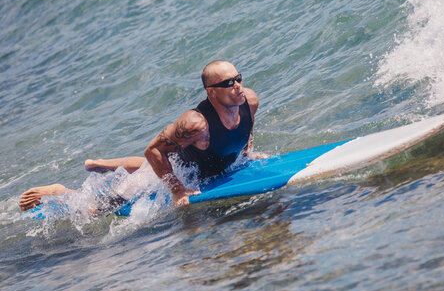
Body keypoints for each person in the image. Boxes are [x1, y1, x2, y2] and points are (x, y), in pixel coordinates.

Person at [19, 60, 267, 211]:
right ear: (211, 92)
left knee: (156, 163)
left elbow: (246, 128)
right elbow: (154, 151)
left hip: (194, 161)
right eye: (227, 83)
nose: (237, 86)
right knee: (97, 210)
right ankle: (59, 192)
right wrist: (177, 190)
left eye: (238, 79)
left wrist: (247, 154)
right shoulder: (195, 124)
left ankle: (101, 163)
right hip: (173, 171)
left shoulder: (250, 100)